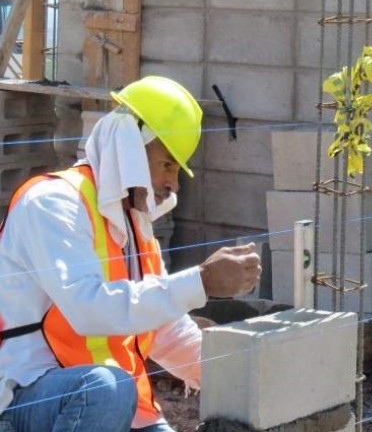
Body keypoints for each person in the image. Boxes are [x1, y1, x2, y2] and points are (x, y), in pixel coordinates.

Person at [0, 75, 262, 432]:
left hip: (111, 405)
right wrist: (201, 280)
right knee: (108, 388)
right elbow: (89, 309)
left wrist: (243, 376)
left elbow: (164, 329)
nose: (173, 184)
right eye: (168, 164)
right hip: (28, 397)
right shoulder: (53, 203)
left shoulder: (135, 228)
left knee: (113, 389)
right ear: (130, 147)